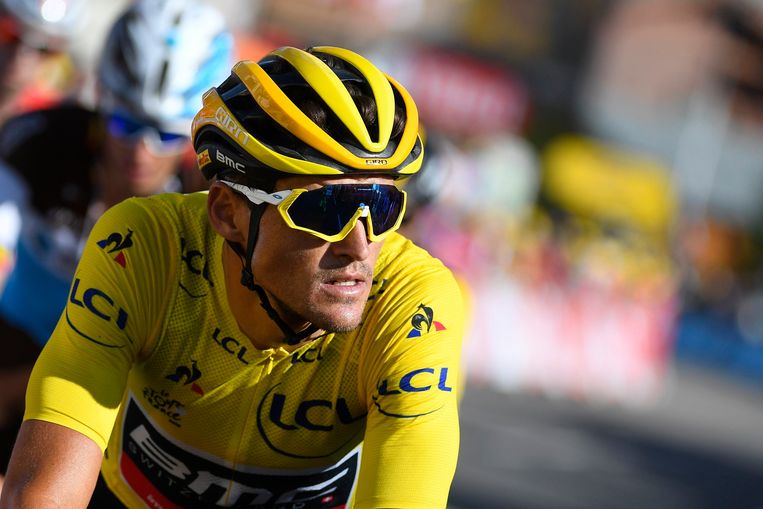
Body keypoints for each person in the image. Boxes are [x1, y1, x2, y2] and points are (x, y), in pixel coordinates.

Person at [0, 45, 466, 508]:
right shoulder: (147, 247)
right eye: (326, 209)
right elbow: (42, 495)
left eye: (382, 207)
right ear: (227, 212)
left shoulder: (412, 304)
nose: (360, 245)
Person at [0, 0, 234, 485]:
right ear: (102, 100)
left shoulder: (208, 199)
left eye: (166, 135)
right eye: (125, 124)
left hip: (124, 376)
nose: (140, 150)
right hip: (18, 336)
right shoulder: (40, 140)